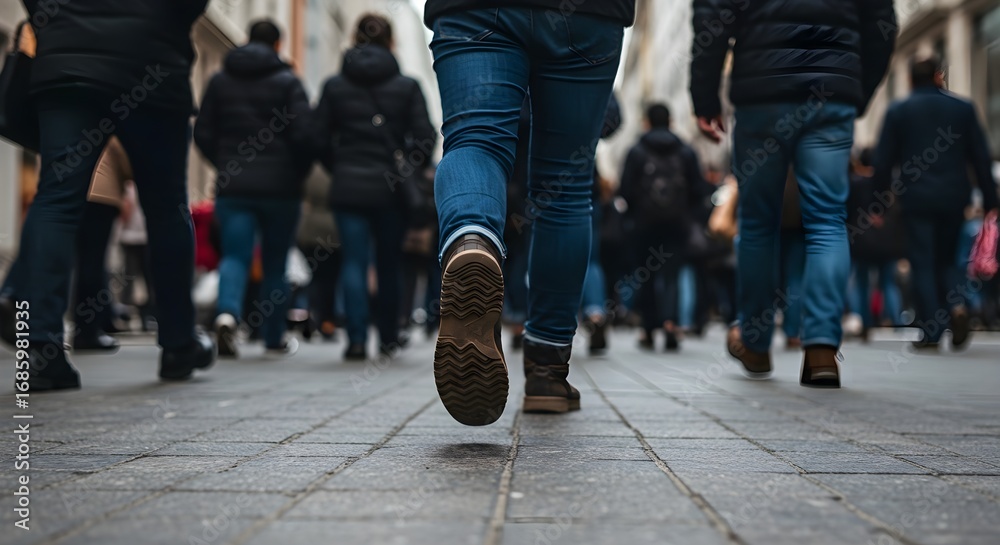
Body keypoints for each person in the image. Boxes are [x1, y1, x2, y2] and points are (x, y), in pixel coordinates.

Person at [425, 1, 634, 425]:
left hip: (475, 12)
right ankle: (547, 371)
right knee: (567, 185)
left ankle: (472, 238)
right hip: (588, 17)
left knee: (474, 142)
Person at [0, 0, 216, 390]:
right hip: (151, 60)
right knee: (166, 208)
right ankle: (178, 343)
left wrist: (54, 22)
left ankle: (41, 349)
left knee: (56, 199)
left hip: (69, 61)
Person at [690, 0, 896, 388]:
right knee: (827, 220)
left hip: (762, 91)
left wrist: (704, 95)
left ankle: (754, 341)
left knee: (756, 223)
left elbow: (711, 17)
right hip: (831, 94)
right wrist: (855, 89)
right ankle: (820, 346)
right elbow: (881, 22)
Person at [314, 14, 436, 361]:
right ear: (390, 41)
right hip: (391, 189)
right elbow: (426, 137)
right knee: (389, 263)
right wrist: (408, 168)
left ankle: (354, 339)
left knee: (353, 261)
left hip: (348, 186)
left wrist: (338, 165)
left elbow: (316, 136)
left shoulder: (335, 85)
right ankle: (386, 336)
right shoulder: (407, 86)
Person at [194, 19, 313, 359]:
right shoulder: (289, 83)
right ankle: (273, 336)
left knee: (235, 256)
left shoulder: (220, 80)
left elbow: (202, 131)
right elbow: (306, 135)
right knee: (276, 263)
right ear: (278, 44)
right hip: (281, 189)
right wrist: (296, 172)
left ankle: (228, 313)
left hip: (235, 186)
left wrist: (225, 163)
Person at [872, 58, 999, 351]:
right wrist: (991, 200)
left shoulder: (898, 110)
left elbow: (883, 161)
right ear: (939, 77)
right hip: (954, 197)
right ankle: (956, 306)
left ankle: (932, 330)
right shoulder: (963, 109)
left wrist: (877, 203)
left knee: (922, 262)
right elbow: (980, 156)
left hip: (916, 198)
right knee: (948, 259)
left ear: (910, 80)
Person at [619, 104, 706, 352]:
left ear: (647, 122)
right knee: (672, 274)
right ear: (671, 121)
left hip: (644, 225)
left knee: (646, 275)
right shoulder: (685, 151)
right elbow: (698, 189)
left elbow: (625, 190)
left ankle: (648, 329)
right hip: (677, 224)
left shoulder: (636, 151)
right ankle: (670, 324)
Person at [847, 148, 905, 340]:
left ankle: (865, 322)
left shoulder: (855, 183)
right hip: (887, 241)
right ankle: (897, 321)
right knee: (888, 282)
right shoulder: (888, 183)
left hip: (862, 240)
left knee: (861, 283)